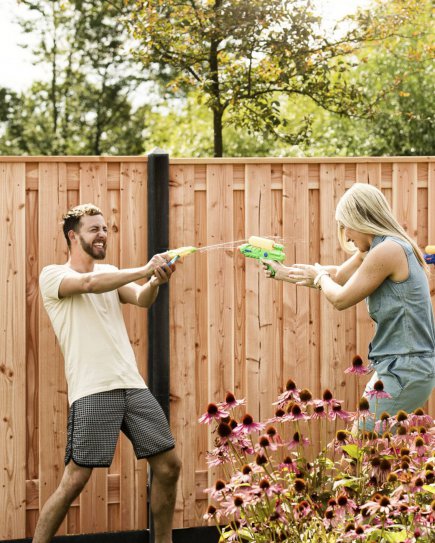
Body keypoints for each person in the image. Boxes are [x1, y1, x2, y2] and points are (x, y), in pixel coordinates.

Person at [35, 203, 181, 543]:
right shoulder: (54, 276)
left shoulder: (112, 272)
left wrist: (156, 280)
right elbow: (88, 283)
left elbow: (143, 299)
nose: (102, 234)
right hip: (93, 389)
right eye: (93, 229)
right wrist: (144, 267)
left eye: (105, 228)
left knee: (168, 465)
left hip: (131, 384)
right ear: (73, 236)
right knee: (76, 479)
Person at [263, 183, 435, 427]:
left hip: (406, 369)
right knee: (379, 454)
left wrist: (319, 277)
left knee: (360, 449)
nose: (346, 235)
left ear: (361, 219)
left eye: (346, 226)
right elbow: (339, 277)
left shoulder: (388, 250)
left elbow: (341, 298)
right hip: (401, 367)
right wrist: (284, 273)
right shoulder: (380, 247)